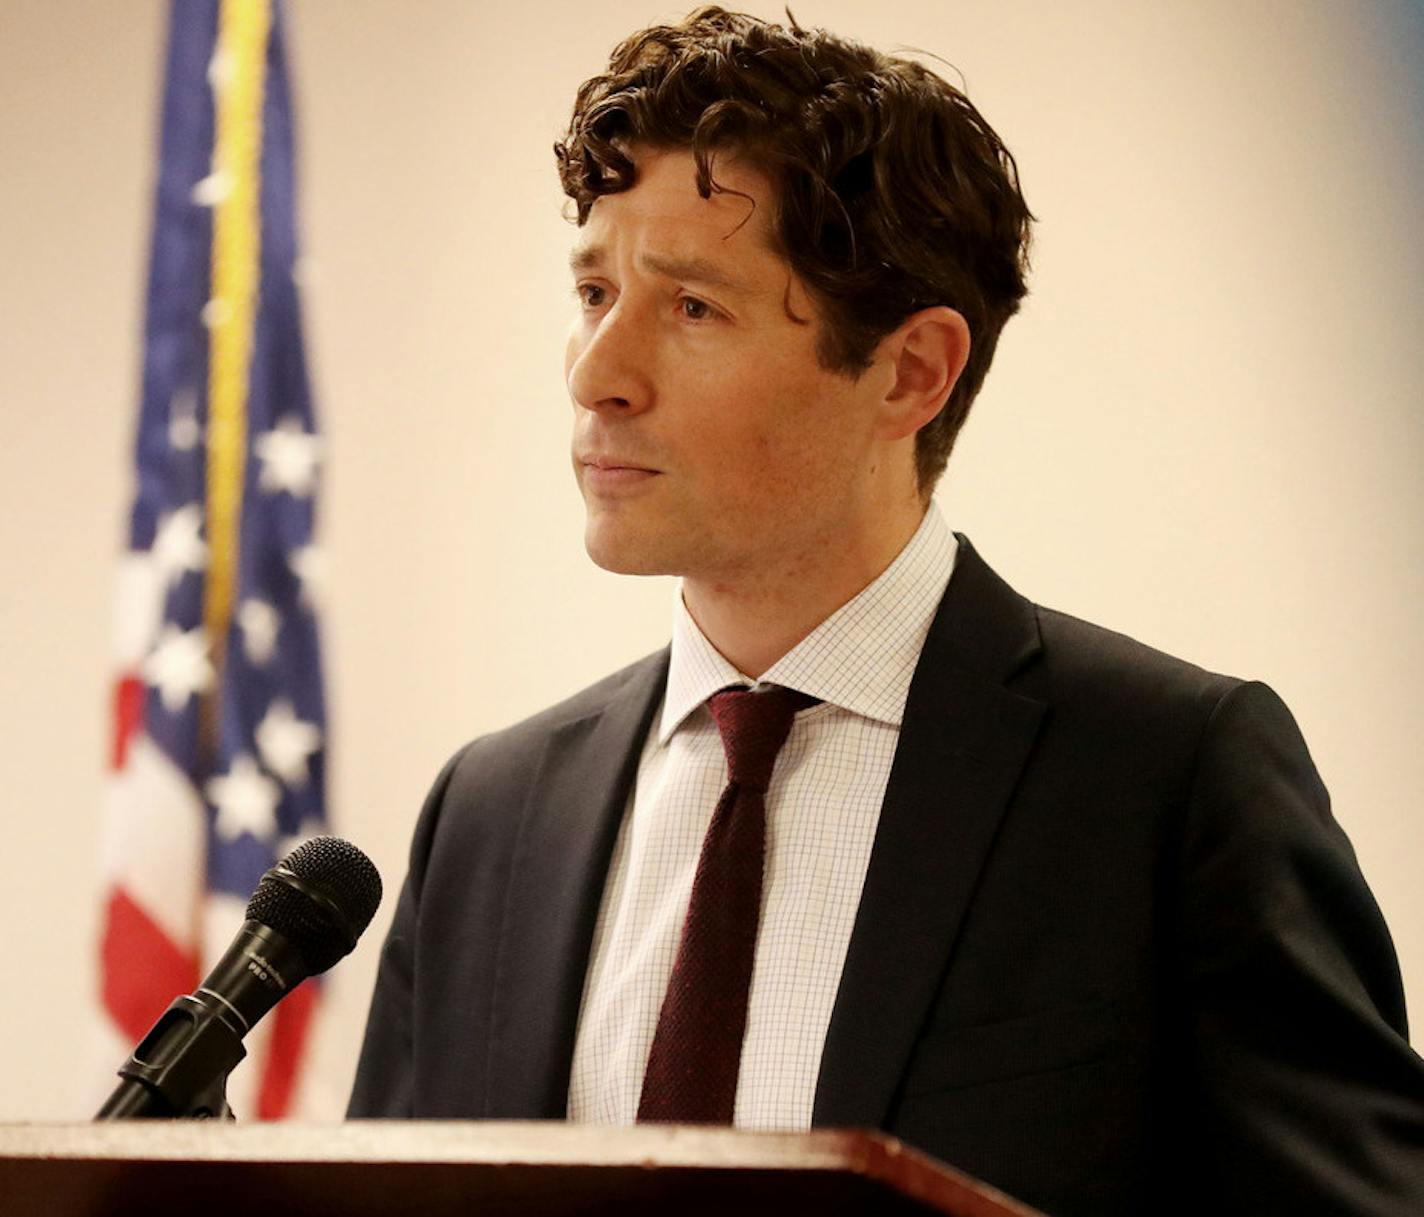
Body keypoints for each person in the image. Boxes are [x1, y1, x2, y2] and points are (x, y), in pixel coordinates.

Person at [348, 8, 1424, 1214]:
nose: (598, 370)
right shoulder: (490, 814)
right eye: (592, 288)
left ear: (909, 371)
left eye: (691, 306)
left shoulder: (1166, 780)